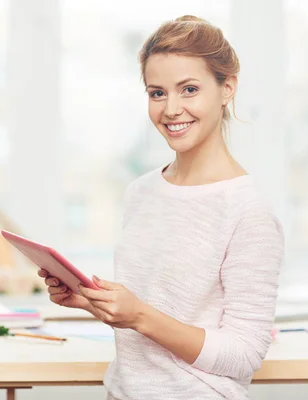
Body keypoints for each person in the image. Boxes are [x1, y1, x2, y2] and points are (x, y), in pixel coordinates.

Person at [38, 15, 285, 400]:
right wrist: (89, 301)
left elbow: (243, 354)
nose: (171, 109)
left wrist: (138, 314)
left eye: (189, 89)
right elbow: (153, 319)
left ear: (227, 88)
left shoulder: (247, 210)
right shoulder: (141, 192)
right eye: (157, 93)